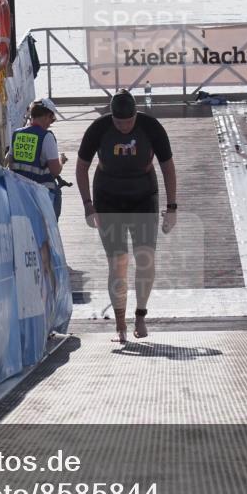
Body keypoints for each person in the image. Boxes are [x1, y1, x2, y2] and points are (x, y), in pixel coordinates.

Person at [75, 89, 178, 343]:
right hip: (107, 196)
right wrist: (88, 205)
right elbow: (81, 167)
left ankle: (140, 315)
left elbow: (168, 168)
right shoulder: (98, 129)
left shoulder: (151, 127)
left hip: (143, 194)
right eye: (120, 123)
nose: (125, 127)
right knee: (118, 261)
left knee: (145, 258)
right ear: (112, 118)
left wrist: (172, 207)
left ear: (135, 115)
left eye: (129, 122)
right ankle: (120, 324)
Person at [8, 98, 68, 219]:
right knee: (57, 192)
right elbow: (55, 170)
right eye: (52, 119)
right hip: (41, 193)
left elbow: (10, 162)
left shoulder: (17, 134)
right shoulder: (46, 137)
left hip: (19, 191)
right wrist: (61, 160)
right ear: (46, 116)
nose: (51, 123)